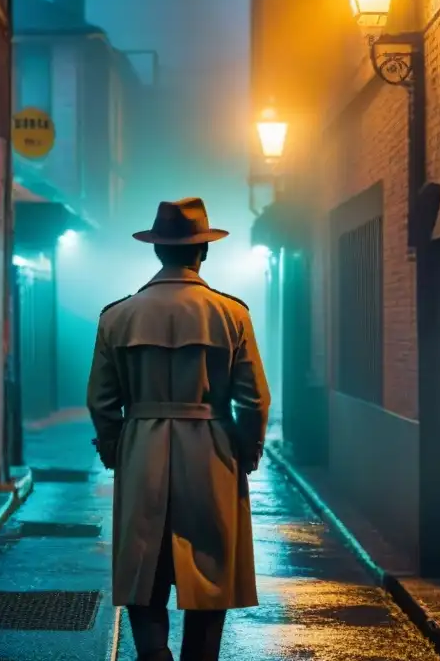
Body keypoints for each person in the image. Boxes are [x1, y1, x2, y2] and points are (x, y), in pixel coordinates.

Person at [86, 197, 272, 661]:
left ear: (157, 251)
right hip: (212, 452)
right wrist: (245, 451)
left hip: (142, 447)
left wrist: (115, 450)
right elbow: (254, 399)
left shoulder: (117, 316)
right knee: (210, 570)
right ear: (202, 252)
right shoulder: (231, 314)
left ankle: (152, 653)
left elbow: (102, 401)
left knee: (143, 567)